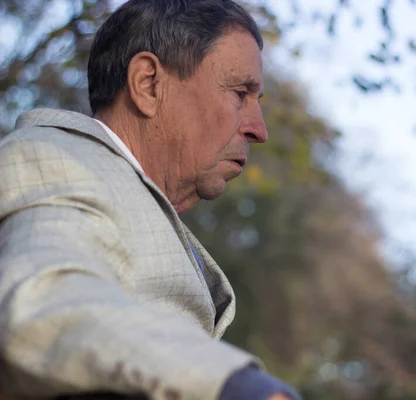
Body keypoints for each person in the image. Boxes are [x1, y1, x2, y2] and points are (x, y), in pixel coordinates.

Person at [0, 1, 300, 399]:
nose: (259, 129)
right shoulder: (53, 158)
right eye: (240, 92)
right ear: (148, 84)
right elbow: (45, 300)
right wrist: (235, 386)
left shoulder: (121, 192)